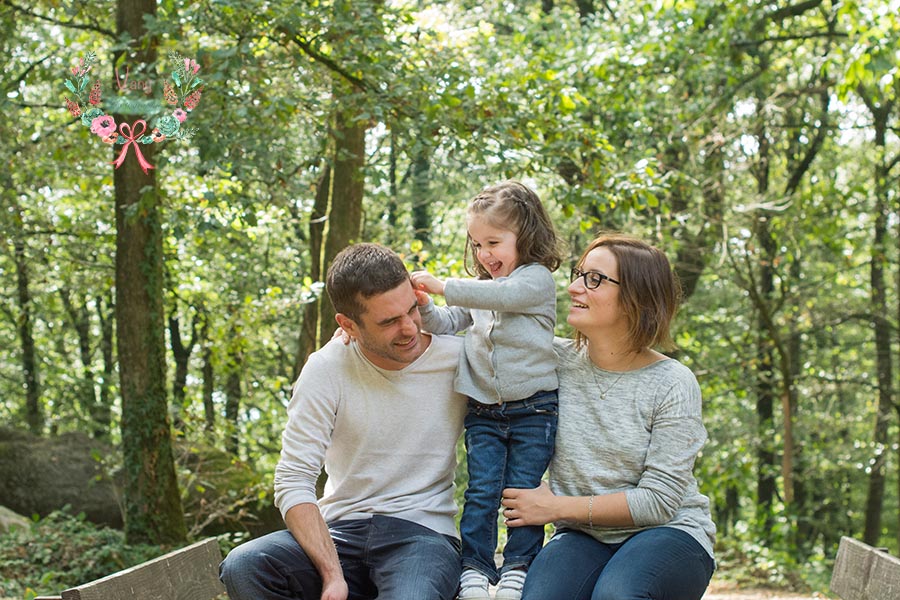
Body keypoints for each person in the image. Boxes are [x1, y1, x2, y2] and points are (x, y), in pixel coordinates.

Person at [219, 242, 467, 600]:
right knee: (245, 564)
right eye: (388, 322)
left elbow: (538, 368)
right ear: (348, 324)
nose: (409, 328)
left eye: (411, 310)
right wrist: (332, 574)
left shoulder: (459, 359)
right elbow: (293, 480)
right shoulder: (326, 368)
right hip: (340, 532)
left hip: (422, 535)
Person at [500, 233, 716, 600]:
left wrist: (555, 508)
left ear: (636, 300)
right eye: (579, 273)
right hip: (583, 536)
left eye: (594, 279)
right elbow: (478, 341)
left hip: (671, 533)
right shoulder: (549, 361)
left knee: (616, 594)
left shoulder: (673, 382)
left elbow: (658, 501)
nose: (573, 287)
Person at [410, 180, 564, 600]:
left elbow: (507, 295)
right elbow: (444, 323)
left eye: (494, 242)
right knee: (480, 491)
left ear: (525, 236)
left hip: (535, 409)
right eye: (477, 244)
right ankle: (476, 569)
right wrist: (425, 304)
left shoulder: (536, 281)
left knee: (522, 492)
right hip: (483, 410)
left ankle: (518, 567)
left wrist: (442, 283)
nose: (484, 254)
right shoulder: (478, 288)